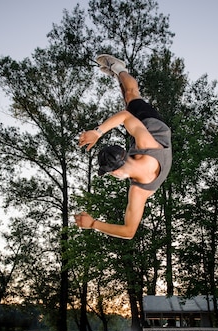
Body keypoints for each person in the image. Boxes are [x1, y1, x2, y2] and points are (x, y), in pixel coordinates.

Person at [74, 54, 172, 239]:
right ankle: (120, 69)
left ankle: (118, 71)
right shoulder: (147, 146)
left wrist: (94, 223)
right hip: (153, 126)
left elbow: (129, 232)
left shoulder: (138, 192)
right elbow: (125, 117)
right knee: (132, 95)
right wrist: (97, 132)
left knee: (128, 101)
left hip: (142, 131)